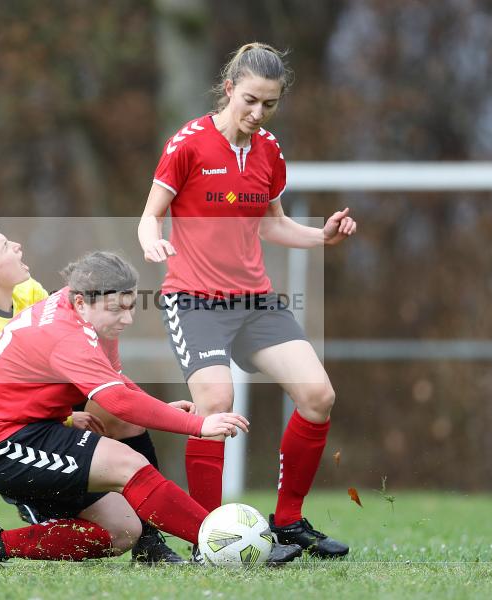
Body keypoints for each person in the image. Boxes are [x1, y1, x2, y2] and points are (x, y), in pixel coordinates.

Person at [137, 42, 357, 559]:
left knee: (318, 396)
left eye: (271, 104)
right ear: (229, 88)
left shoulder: (269, 151)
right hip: (194, 301)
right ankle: (206, 537)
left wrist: (321, 237)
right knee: (216, 404)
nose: (259, 114)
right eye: (251, 101)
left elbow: (272, 224)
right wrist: (151, 239)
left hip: (255, 301)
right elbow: (150, 214)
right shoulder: (187, 144)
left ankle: (289, 522)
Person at [0, 251, 303, 566]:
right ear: (80, 301)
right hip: (2, 445)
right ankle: (221, 541)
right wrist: (198, 426)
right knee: (129, 462)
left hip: (41, 428)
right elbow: (120, 400)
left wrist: (158, 408)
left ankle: (0, 544)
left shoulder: (88, 314)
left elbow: (118, 389)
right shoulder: (67, 336)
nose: (127, 318)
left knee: (121, 531)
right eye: (117, 309)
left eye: (131, 305)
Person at [0, 224, 183, 563]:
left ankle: (150, 542)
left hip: (50, 412)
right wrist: (67, 418)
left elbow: (72, 342)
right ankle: (4, 537)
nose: (16, 244)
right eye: (4, 245)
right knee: (114, 531)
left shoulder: (28, 291)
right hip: (14, 436)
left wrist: (140, 402)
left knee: (119, 414)